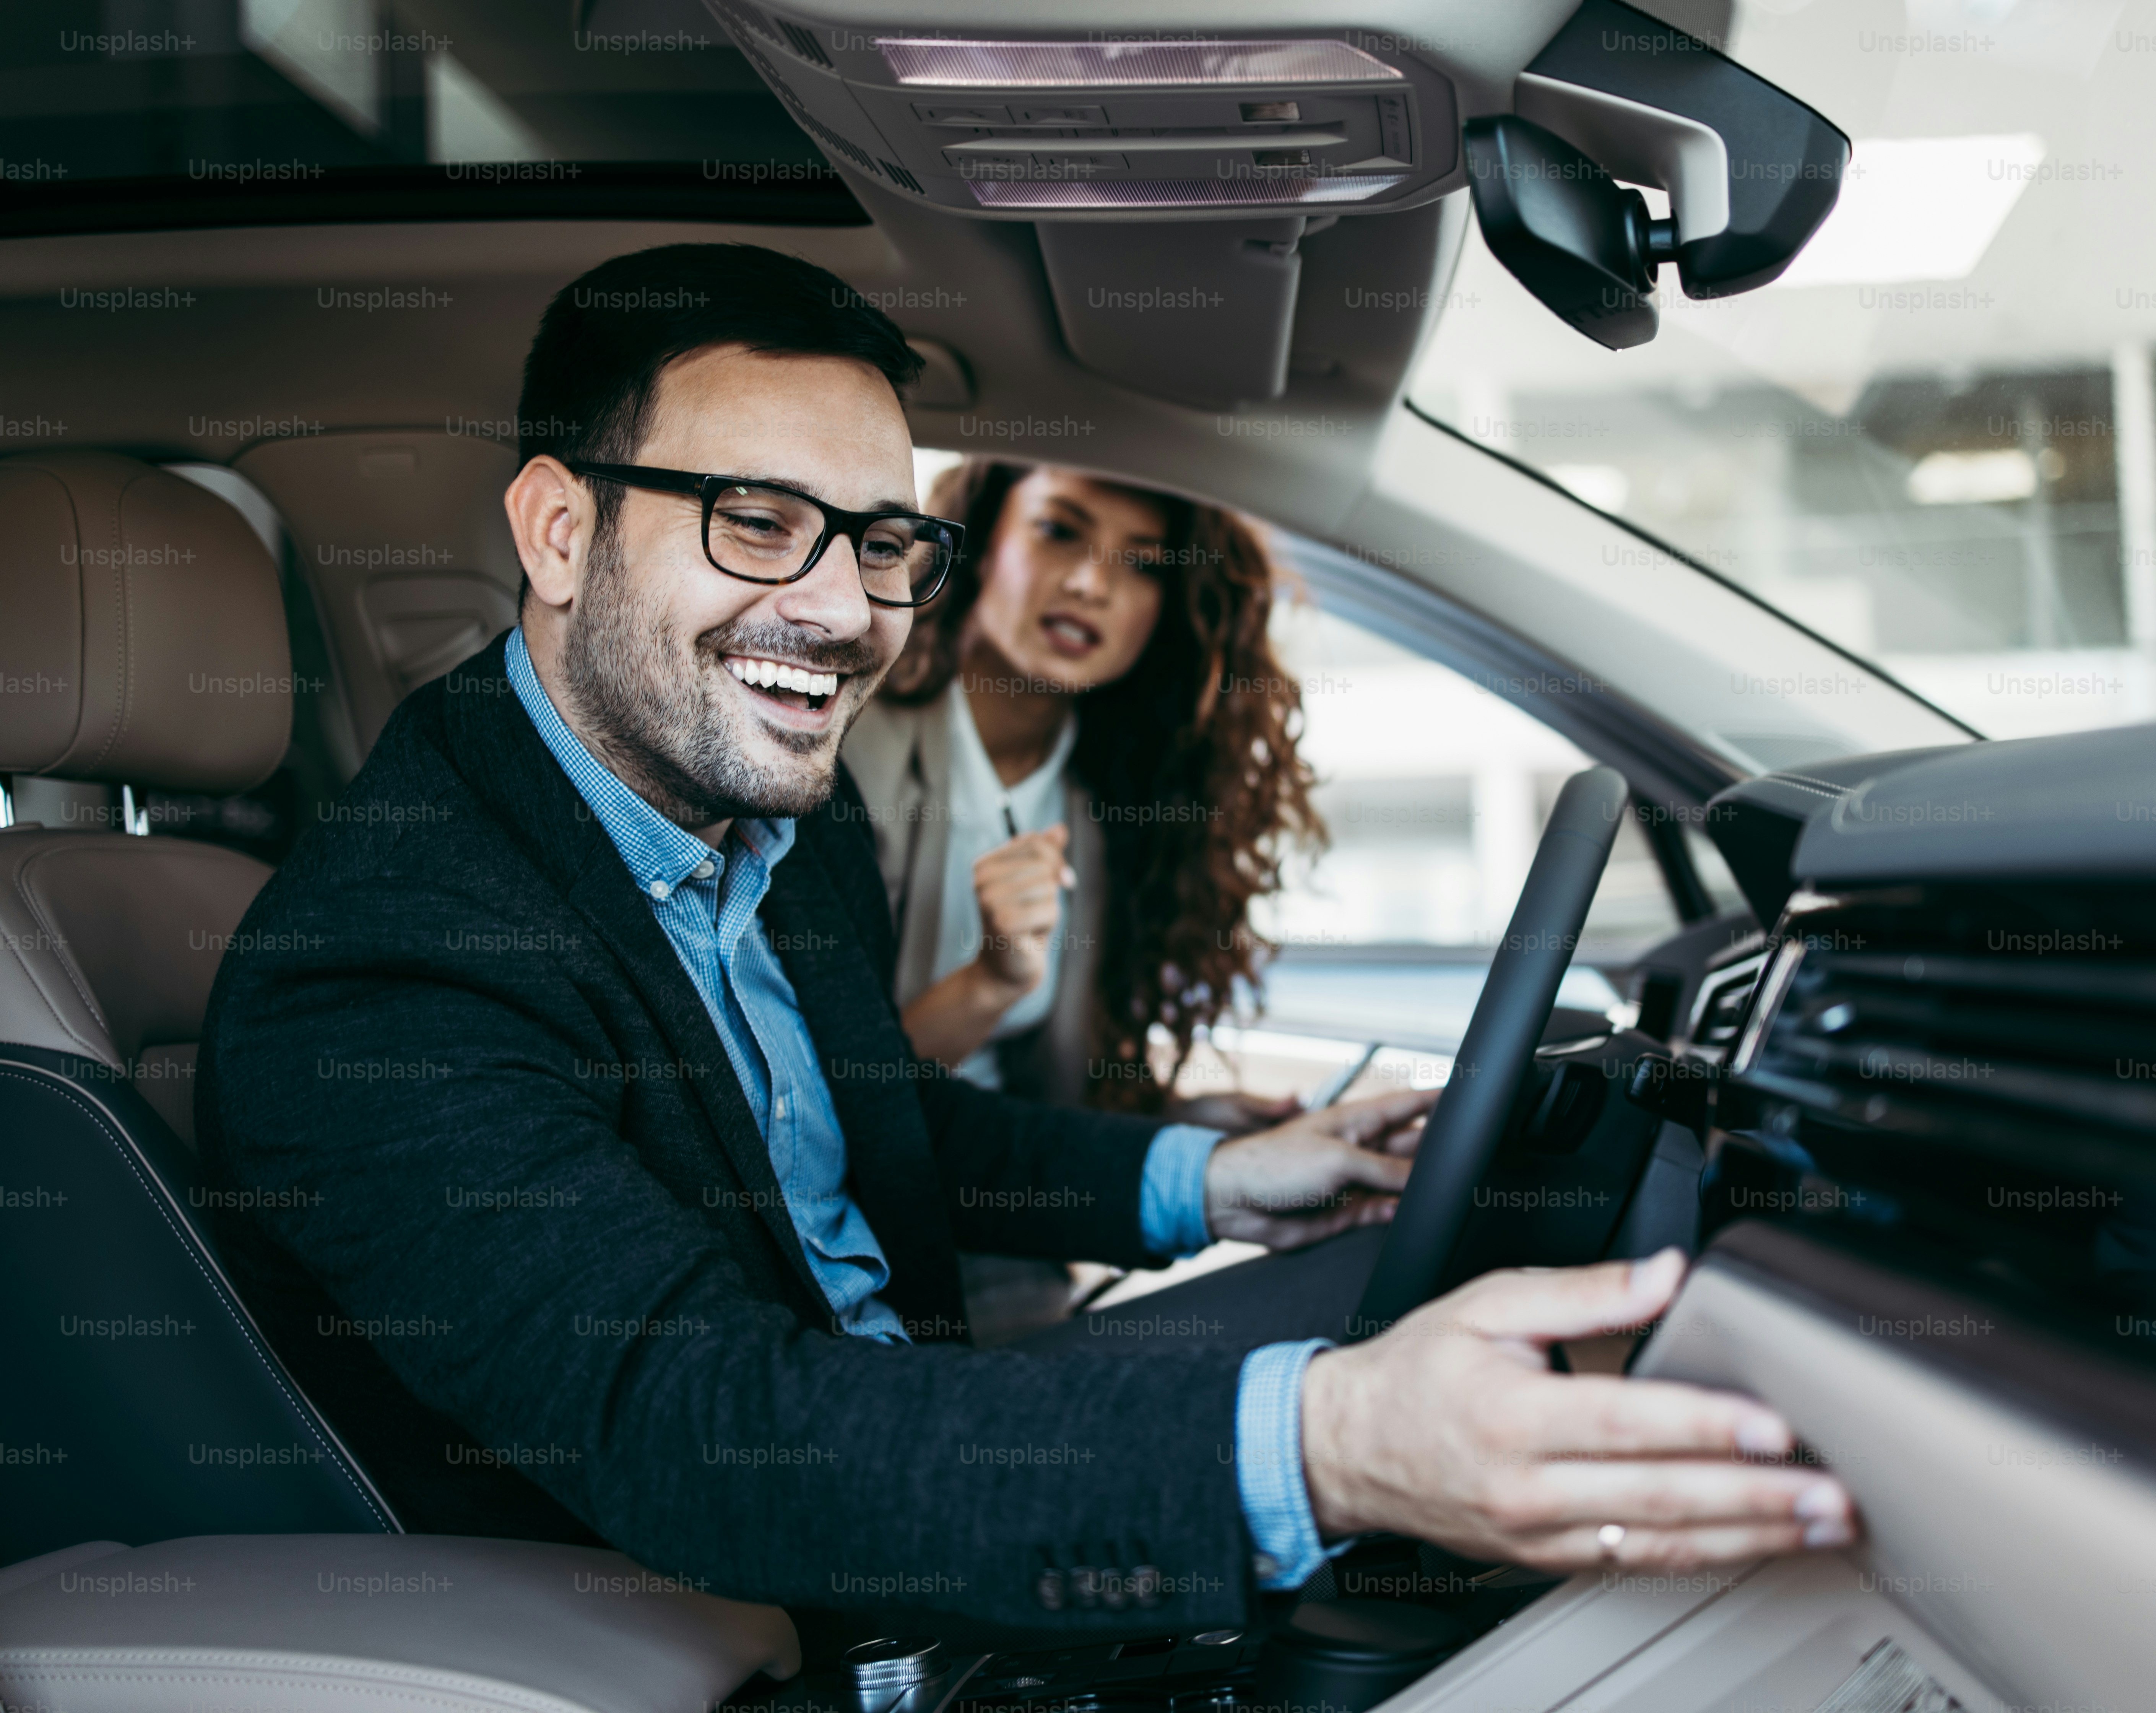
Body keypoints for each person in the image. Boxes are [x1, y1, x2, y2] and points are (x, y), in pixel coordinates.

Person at [197, 242, 1855, 1640]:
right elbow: (703, 1433)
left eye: (879, 541)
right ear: (560, 534)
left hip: (910, 1454)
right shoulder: (381, 967)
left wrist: (1214, 1179)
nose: (845, 615)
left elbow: (898, 1134)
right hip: (750, 1608)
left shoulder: (772, 812)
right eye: (756, 521)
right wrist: (1334, 1446)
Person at [845, 460, 1315, 1124]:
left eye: (1144, 564)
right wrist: (989, 984)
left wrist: (1190, 1127)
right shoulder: (848, 747)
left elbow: (1053, 1098)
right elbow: (822, 1096)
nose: (1093, 582)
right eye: (1059, 531)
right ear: (979, 544)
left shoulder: (1113, 805)